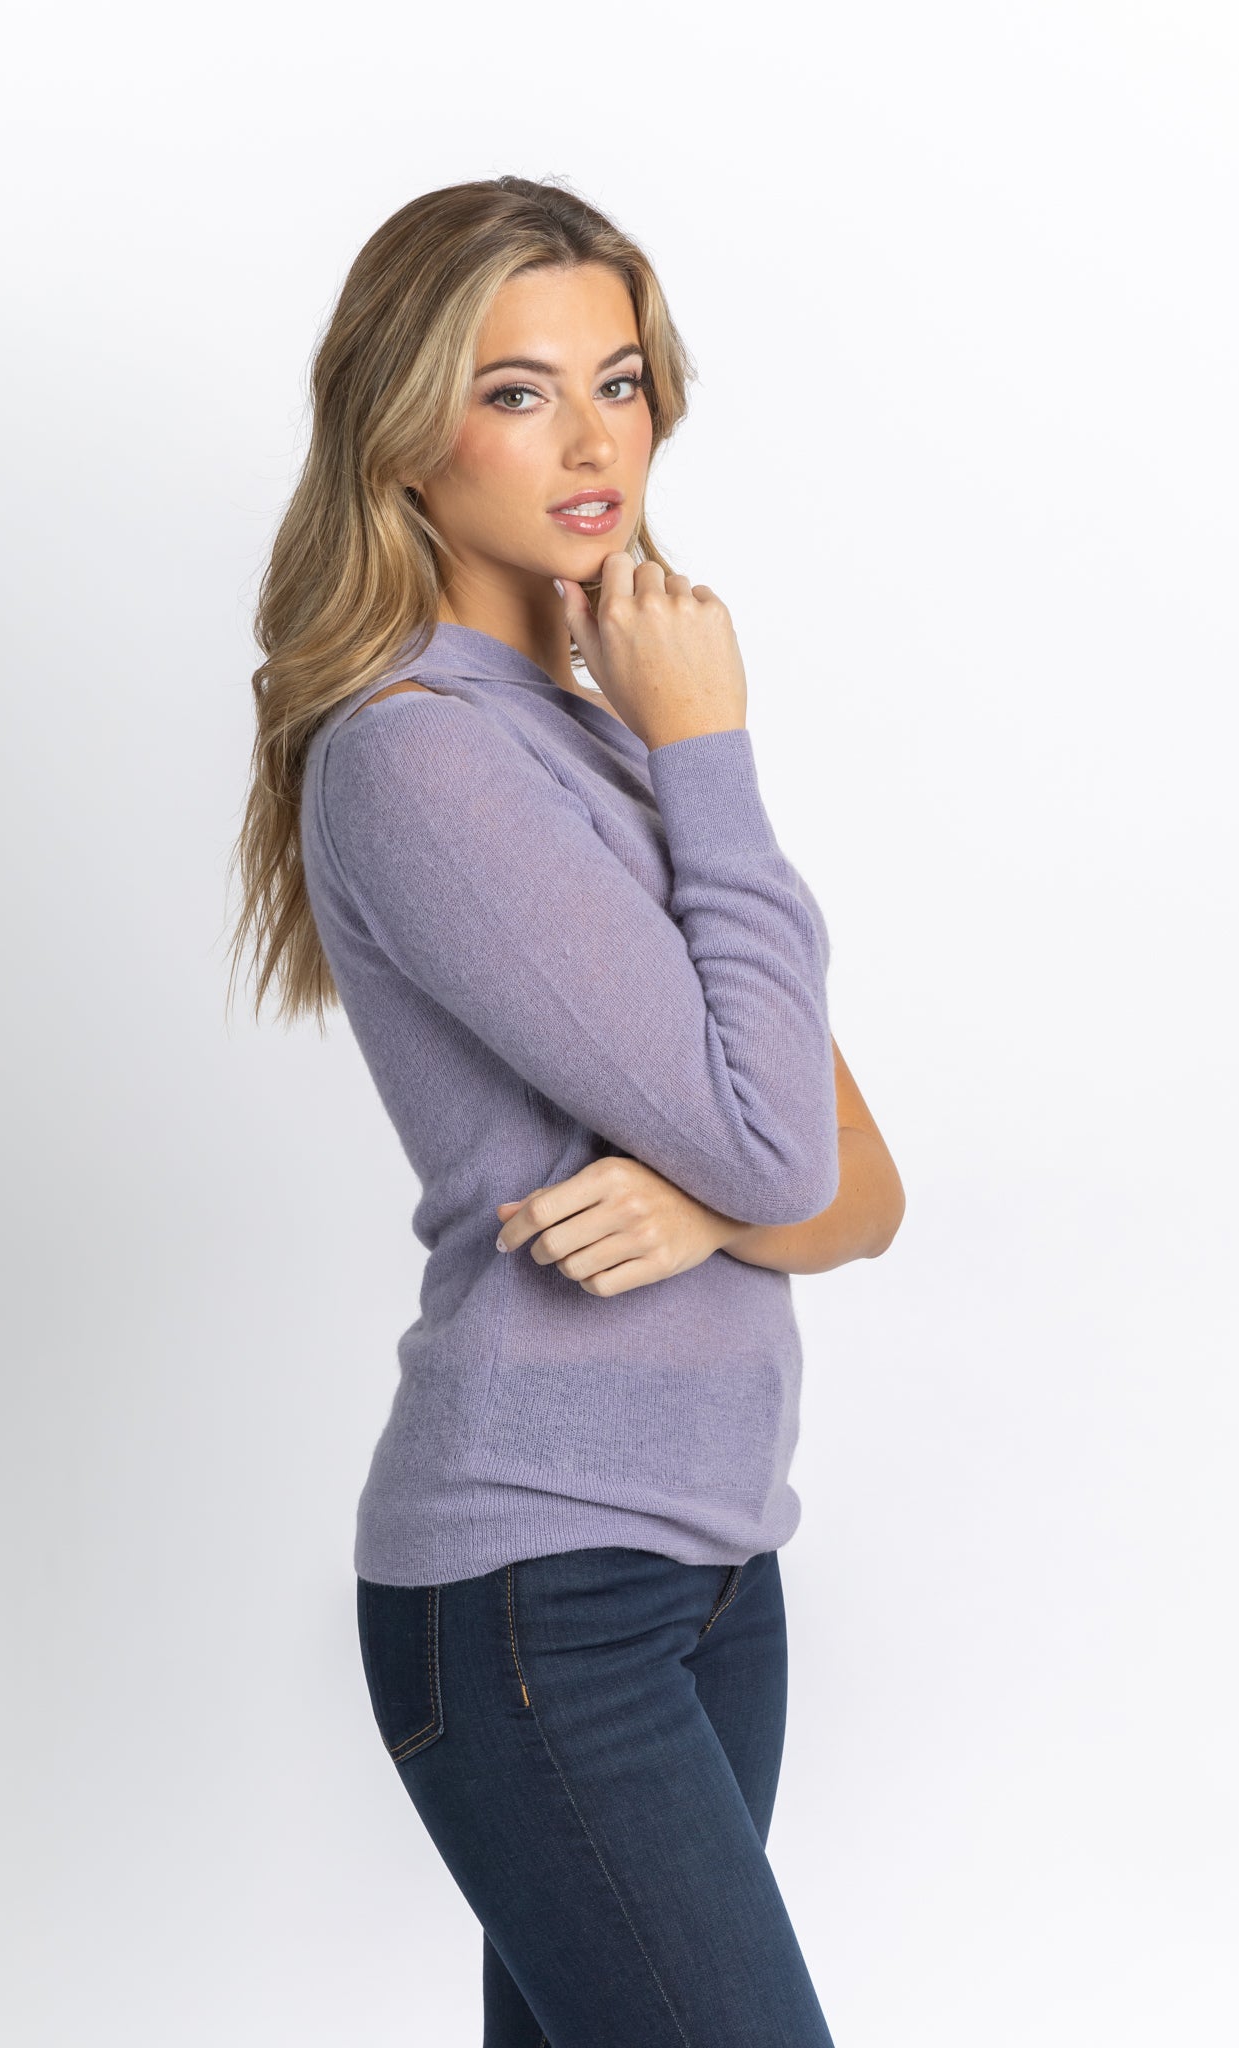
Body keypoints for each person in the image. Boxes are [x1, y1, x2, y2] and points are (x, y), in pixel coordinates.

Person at [227, 174, 905, 2047]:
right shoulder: (420, 752)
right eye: (516, 392)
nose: (595, 440)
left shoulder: (587, 731)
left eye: (618, 381)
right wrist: (708, 748)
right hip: (546, 1584)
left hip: (713, 1563)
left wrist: (704, 1202)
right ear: (402, 431)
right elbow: (786, 1149)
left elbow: (860, 1188)